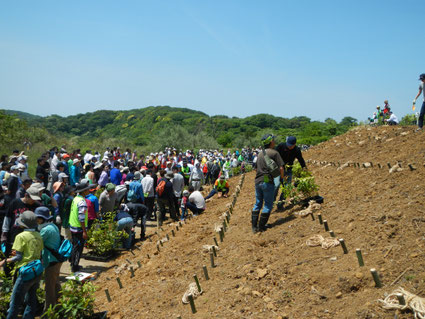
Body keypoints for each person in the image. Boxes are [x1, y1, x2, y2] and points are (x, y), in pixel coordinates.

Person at [0, 211, 43, 319]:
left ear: (23, 224)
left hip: (25, 272)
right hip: (36, 271)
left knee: (15, 302)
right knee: (31, 300)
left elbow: (18, 257)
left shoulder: (21, 236)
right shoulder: (38, 235)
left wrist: (4, 261)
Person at [252, 134, 284, 233]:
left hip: (258, 180)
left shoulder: (260, 154)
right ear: (271, 142)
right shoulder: (274, 153)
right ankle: (261, 227)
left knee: (258, 203)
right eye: (273, 140)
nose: (274, 141)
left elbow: (256, 169)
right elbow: (281, 168)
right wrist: (281, 178)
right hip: (267, 180)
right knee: (268, 204)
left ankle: (254, 227)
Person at [34, 206, 62, 311]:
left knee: (49, 288)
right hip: (56, 260)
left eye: (39, 218)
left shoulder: (45, 230)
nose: (37, 220)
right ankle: (59, 302)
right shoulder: (53, 226)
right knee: (55, 283)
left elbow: (37, 244)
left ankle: (48, 311)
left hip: (51, 261)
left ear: (44, 218)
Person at [275, 136, 307, 204]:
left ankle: (280, 203)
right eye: (288, 145)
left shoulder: (297, 150)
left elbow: (300, 159)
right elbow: (274, 154)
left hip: (288, 170)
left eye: (291, 146)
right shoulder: (281, 146)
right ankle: (271, 201)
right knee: (276, 185)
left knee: (287, 187)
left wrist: (304, 167)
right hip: (278, 169)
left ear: (294, 144)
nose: (289, 147)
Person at [69, 182, 91, 272]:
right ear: (84, 191)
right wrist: (84, 231)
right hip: (78, 228)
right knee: (78, 248)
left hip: (73, 226)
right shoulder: (82, 202)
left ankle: (73, 263)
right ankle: (75, 266)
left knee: (75, 246)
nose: (89, 190)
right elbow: (81, 218)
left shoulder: (76, 199)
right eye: (87, 189)